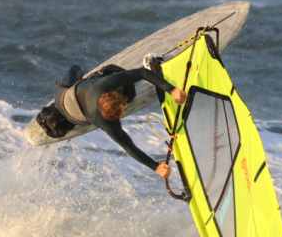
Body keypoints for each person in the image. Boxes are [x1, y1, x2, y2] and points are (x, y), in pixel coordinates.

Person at [45, 60, 186, 178]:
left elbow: (142, 72)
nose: (124, 111)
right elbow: (128, 145)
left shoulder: (102, 85)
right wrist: (155, 167)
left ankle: (85, 80)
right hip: (63, 99)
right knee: (129, 93)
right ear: (109, 118)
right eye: (121, 113)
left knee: (76, 68)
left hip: (67, 99)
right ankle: (84, 82)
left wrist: (171, 90)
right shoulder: (105, 122)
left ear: (111, 92)